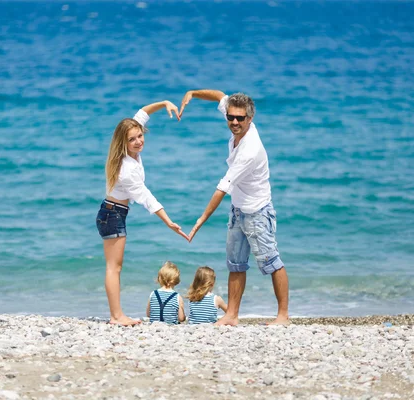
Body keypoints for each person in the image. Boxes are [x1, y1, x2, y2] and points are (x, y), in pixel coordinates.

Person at [179, 90, 289, 326]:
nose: (234, 122)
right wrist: (193, 93)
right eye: (231, 117)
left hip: (257, 211)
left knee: (272, 262)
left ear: (250, 118)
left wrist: (201, 219)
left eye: (240, 118)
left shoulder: (249, 151)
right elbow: (219, 95)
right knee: (235, 263)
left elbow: (222, 187)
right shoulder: (234, 117)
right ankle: (231, 315)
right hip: (238, 209)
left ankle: (283, 316)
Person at [97, 101, 188, 326]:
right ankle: (116, 316)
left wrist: (164, 103)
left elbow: (142, 113)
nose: (138, 141)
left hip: (113, 213)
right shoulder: (126, 170)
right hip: (112, 215)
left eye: (140, 136)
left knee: (115, 266)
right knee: (113, 267)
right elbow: (146, 197)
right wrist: (168, 222)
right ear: (123, 142)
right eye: (132, 139)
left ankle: (117, 315)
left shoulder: (131, 155)